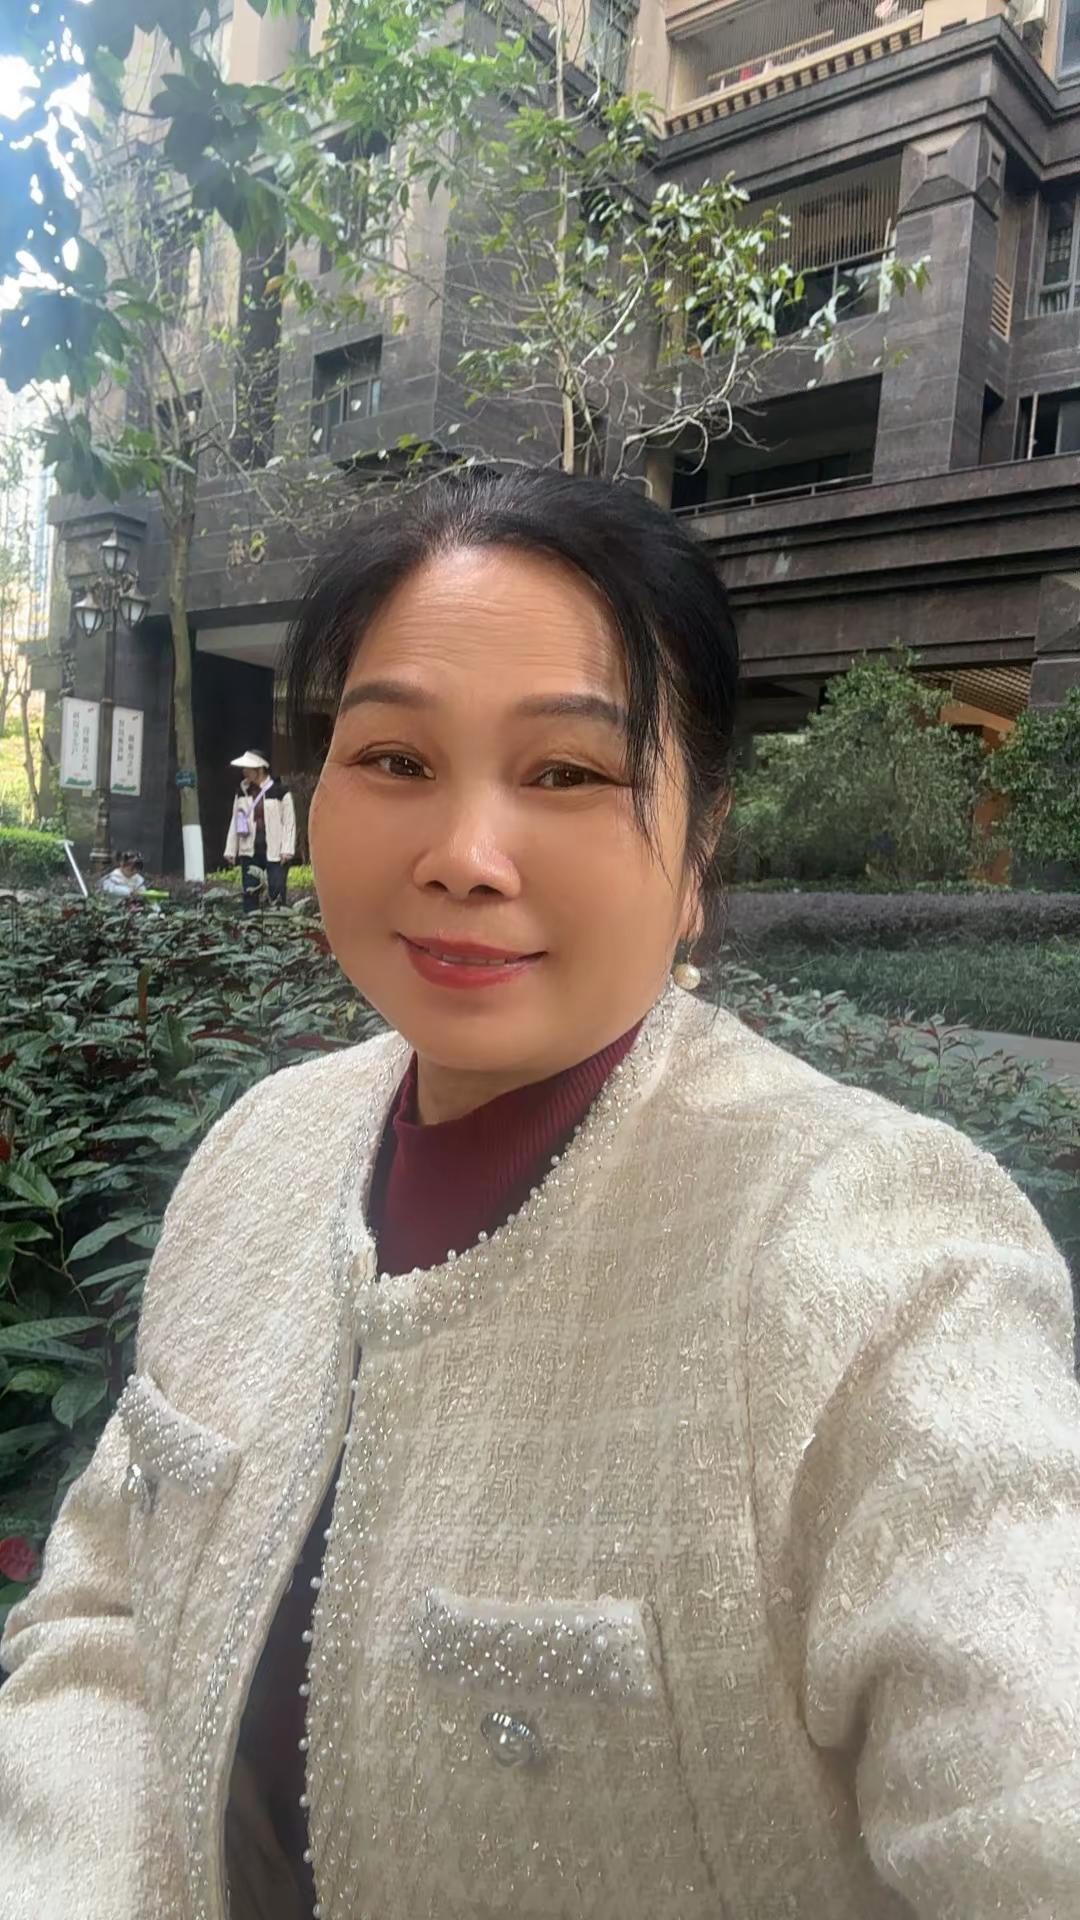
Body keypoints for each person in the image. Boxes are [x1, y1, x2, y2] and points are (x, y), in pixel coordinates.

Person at [2, 469, 1079, 1920]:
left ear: (701, 845)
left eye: (567, 773)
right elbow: (109, 1612)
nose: (462, 857)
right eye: (395, 758)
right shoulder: (263, 1149)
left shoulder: (872, 1252)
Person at [224, 750, 297, 909]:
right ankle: (251, 922)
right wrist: (231, 850)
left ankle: (277, 920)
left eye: (248, 768)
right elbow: (235, 821)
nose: (245, 772)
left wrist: (287, 849)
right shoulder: (242, 792)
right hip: (249, 850)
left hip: (275, 850)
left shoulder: (280, 791)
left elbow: (289, 823)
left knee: (277, 892)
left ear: (260, 769)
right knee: (250, 892)